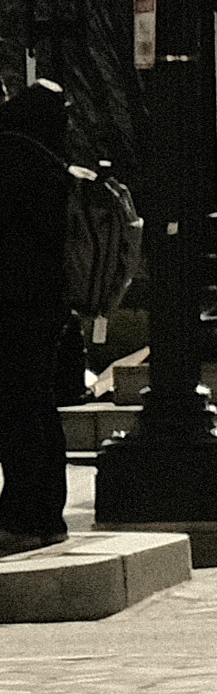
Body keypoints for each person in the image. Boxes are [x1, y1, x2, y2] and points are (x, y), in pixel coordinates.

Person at [0, 79, 71, 554]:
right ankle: (47, 514)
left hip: (11, 304)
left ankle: (22, 515)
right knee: (39, 407)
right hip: (45, 304)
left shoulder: (8, 157)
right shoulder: (52, 163)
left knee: (15, 410)